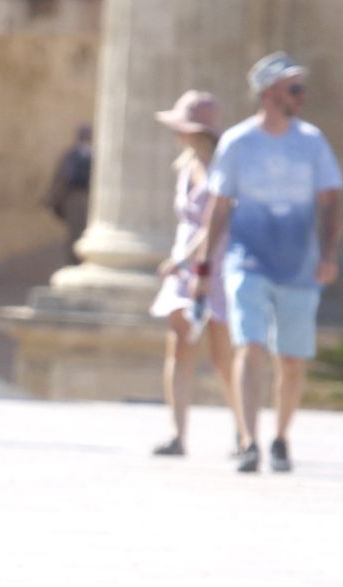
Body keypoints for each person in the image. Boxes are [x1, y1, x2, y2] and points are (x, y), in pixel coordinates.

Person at [197, 52, 342, 474]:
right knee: (251, 346)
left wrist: (329, 255)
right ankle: (247, 440)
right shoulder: (238, 143)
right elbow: (219, 207)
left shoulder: (313, 142)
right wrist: (204, 269)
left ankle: (280, 438)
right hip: (248, 261)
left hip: (299, 265)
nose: (301, 96)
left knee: (291, 359)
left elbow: (331, 201)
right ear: (268, 94)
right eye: (293, 89)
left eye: (301, 88)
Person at [148, 91, 242, 457]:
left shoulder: (222, 170)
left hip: (213, 265)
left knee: (222, 355)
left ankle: (242, 429)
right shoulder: (186, 166)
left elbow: (213, 223)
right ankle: (178, 434)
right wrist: (180, 261)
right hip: (184, 266)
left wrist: (184, 261)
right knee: (178, 349)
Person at [46, 124, 93, 266]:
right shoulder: (74, 154)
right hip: (76, 198)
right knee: (76, 233)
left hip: (86, 199)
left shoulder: (90, 153)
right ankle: (73, 262)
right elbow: (70, 176)